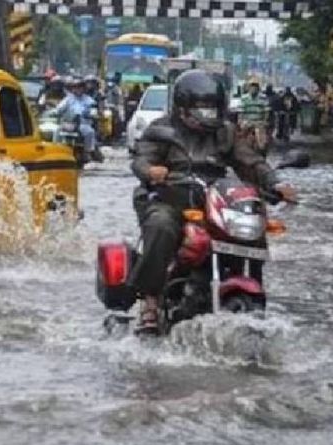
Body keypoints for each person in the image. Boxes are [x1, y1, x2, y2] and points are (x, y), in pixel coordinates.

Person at [129, 70, 297, 333]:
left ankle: (251, 282)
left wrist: (275, 183)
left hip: (212, 200)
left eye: (214, 108)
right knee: (161, 225)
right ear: (183, 108)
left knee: (252, 226)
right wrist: (151, 171)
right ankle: (150, 301)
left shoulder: (225, 132)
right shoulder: (161, 130)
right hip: (169, 197)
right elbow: (141, 159)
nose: (210, 115)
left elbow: (250, 162)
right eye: (203, 109)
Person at [54, 76, 98, 163]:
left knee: (90, 132)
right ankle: (56, 150)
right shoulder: (68, 99)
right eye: (75, 87)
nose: (77, 89)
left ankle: (87, 152)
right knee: (57, 130)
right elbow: (59, 108)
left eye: (79, 87)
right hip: (68, 123)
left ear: (83, 88)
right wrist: (55, 112)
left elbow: (93, 111)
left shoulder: (89, 100)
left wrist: (92, 114)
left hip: (83, 123)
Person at [239, 77, 271, 155]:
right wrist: (241, 121)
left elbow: (266, 112)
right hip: (247, 121)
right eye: (251, 86)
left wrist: (264, 121)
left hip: (259, 121)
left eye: (255, 86)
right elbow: (241, 112)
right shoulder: (244, 98)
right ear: (249, 88)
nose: (253, 88)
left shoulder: (263, 98)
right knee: (240, 136)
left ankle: (261, 150)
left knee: (261, 140)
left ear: (258, 88)